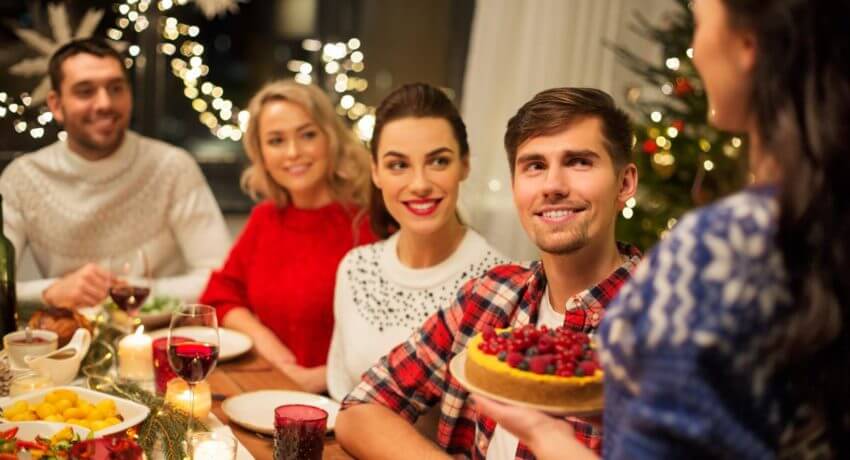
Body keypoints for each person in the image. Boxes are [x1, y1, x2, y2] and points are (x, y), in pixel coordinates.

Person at [474, 0, 850, 458]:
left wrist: (545, 434)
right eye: (534, 166)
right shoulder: (818, 224)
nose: (695, 47)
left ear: (747, 46)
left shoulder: (715, 252)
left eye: (700, 22)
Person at [335, 87, 641, 459]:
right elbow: (361, 409)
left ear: (624, 184)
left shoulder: (668, 331)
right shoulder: (491, 295)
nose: (553, 186)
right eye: (535, 166)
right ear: (515, 186)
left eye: (578, 162)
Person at [0, 38, 230, 309]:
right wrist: (50, 292)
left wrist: (138, 292)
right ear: (56, 105)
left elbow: (221, 277)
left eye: (116, 88)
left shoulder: (173, 166)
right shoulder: (23, 177)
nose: (105, 103)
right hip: (68, 342)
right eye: (85, 91)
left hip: (162, 339)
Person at [326, 83, 508, 404]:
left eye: (439, 161)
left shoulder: (500, 284)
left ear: (464, 165)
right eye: (399, 165)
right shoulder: (356, 268)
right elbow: (342, 394)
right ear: (376, 173)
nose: (420, 184)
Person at [199, 80, 375, 393]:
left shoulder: (369, 223)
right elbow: (220, 296)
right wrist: (273, 350)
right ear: (261, 154)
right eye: (276, 140)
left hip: (349, 407)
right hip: (272, 392)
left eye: (307, 135)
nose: (293, 152)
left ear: (330, 138)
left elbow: (402, 342)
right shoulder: (265, 219)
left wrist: (322, 378)